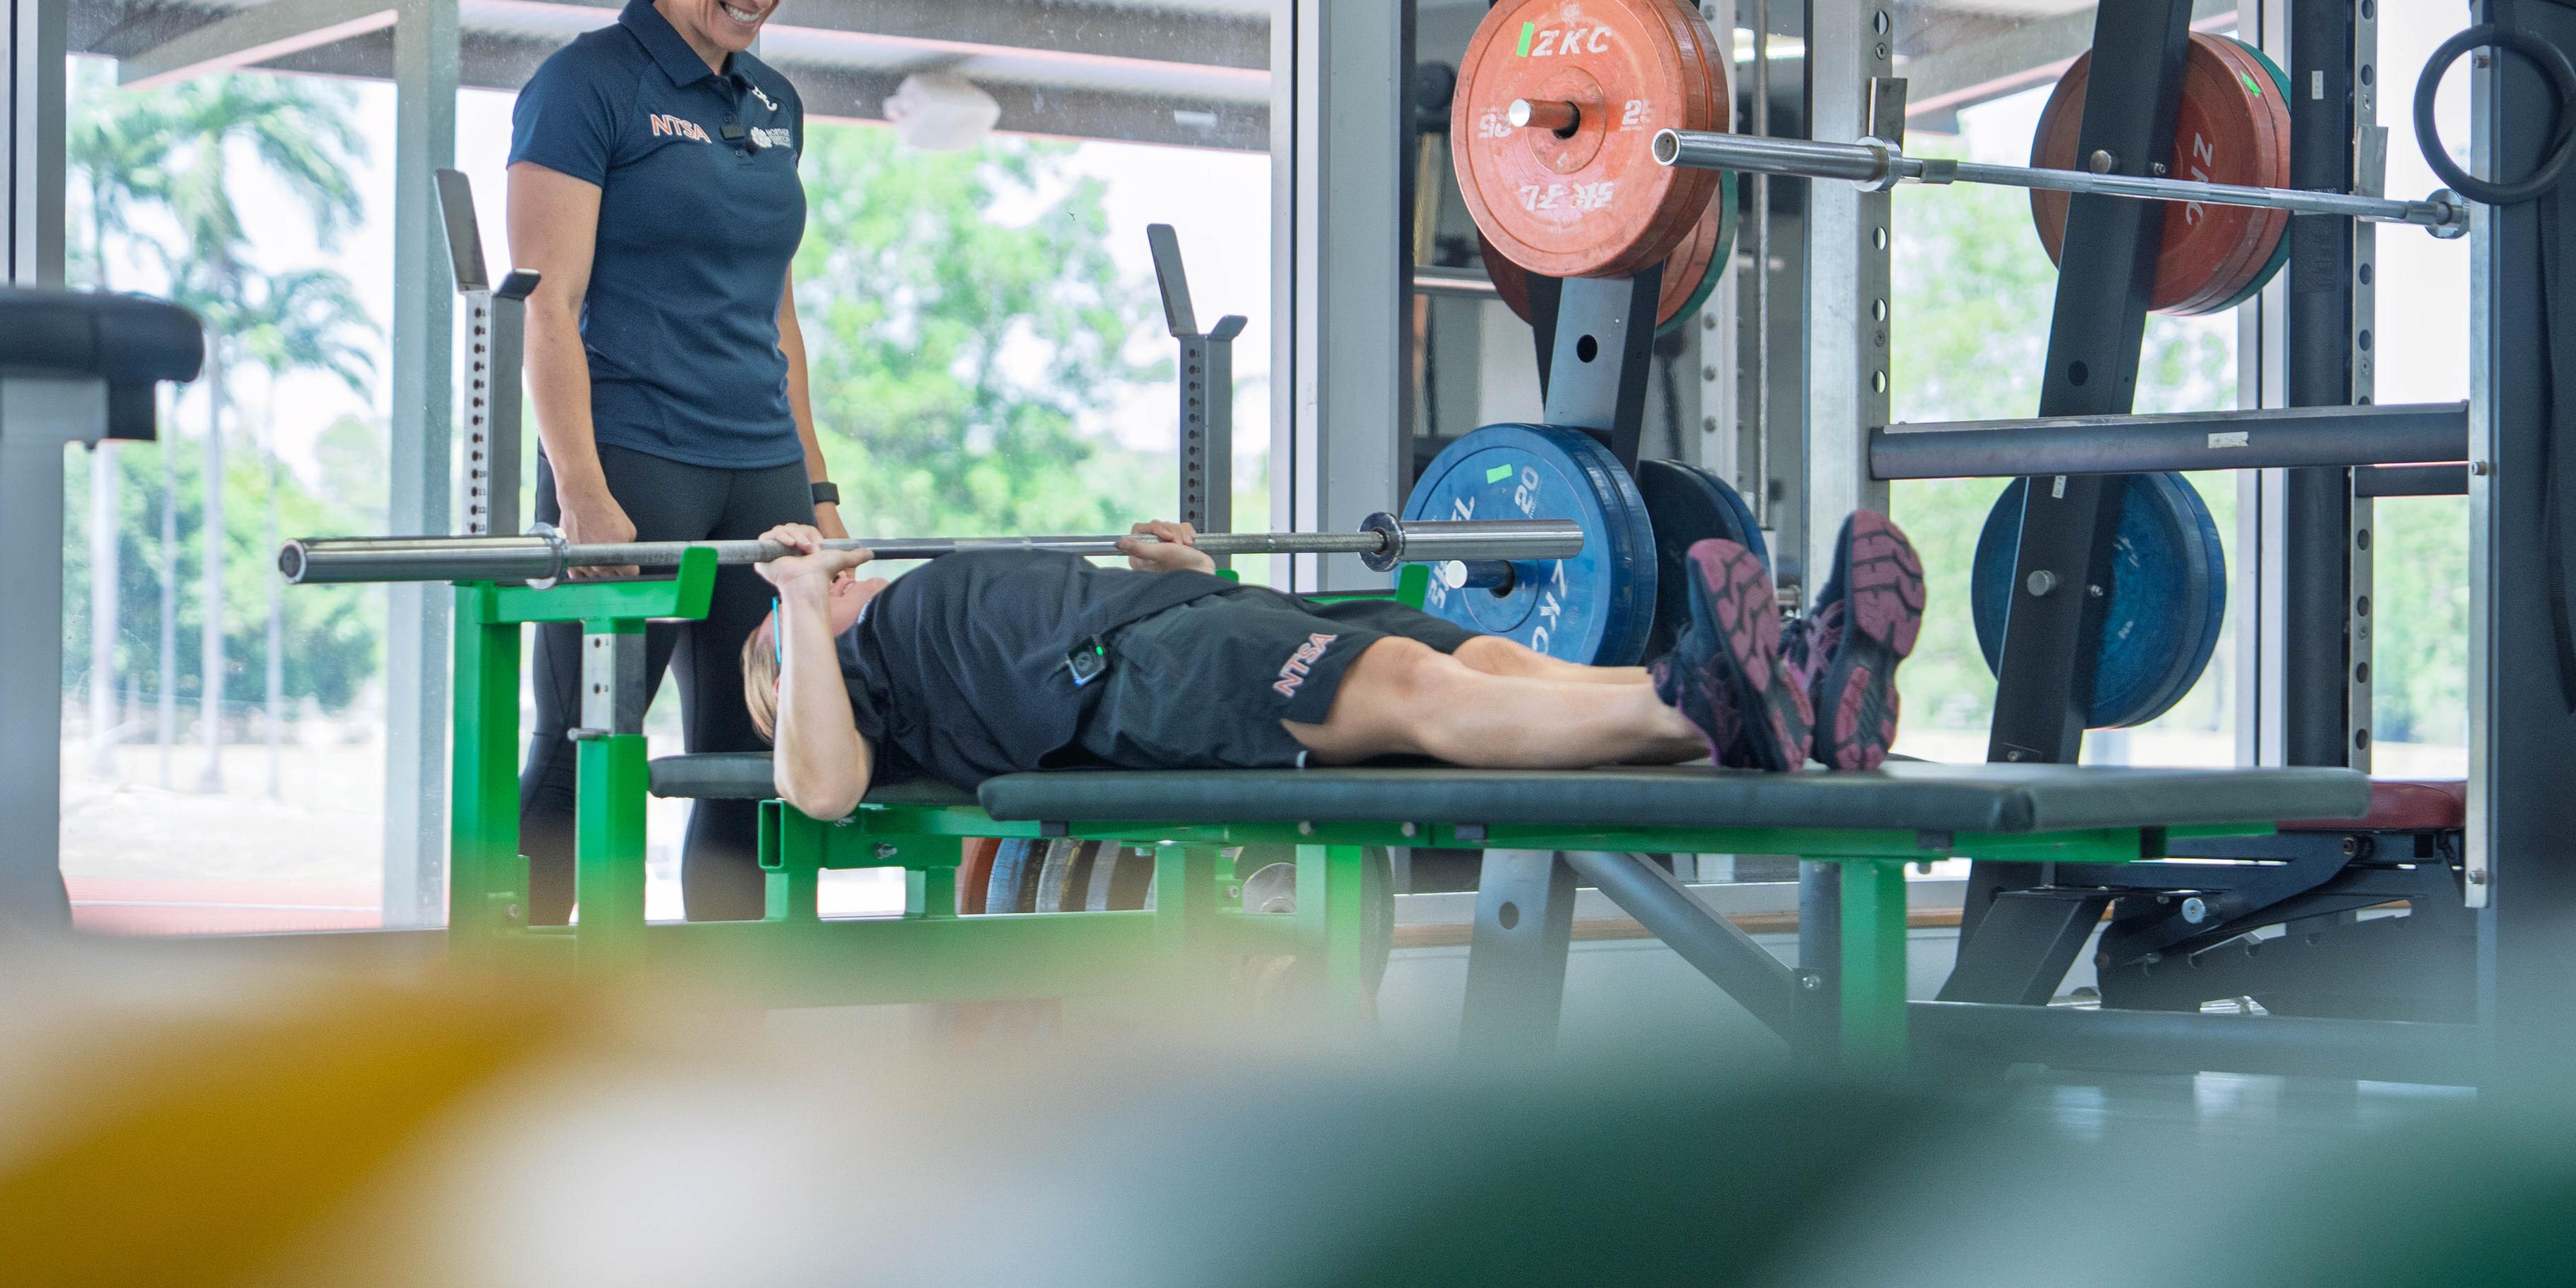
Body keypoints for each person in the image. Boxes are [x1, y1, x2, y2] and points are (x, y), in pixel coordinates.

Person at [508, 0, 842, 920]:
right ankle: (510, 994)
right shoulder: (584, 85)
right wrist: (582, 492)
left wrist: (819, 486)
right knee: (581, 749)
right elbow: (546, 304)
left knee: (754, 765)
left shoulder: (776, 103)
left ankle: (723, 1010)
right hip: (635, 461)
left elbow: (777, 314)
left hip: (762, 472)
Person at [741, 513, 1927, 819]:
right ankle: (1706, 704)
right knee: (1421, 693)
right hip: (1147, 673)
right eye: (813, 599)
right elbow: (823, 786)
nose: (837, 574)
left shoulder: (915, 615)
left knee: (1487, 656)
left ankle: (1790, 683)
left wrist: (1184, 569)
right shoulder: (855, 669)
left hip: (1198, 619)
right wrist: (791, 609)